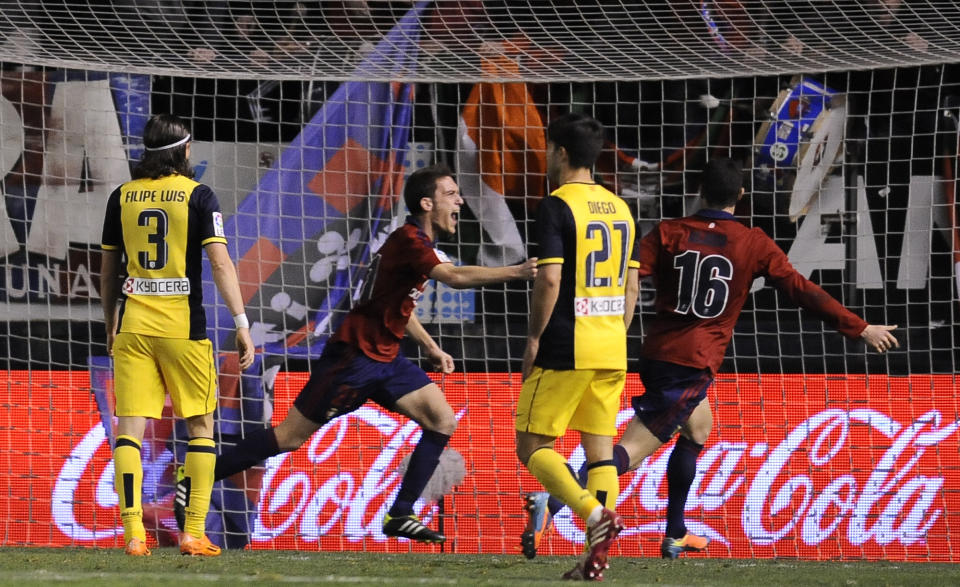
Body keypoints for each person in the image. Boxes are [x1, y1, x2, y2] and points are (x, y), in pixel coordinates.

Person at [522, 157, 900, 560]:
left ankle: (675, 534)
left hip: (657, 354)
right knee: (627, 452)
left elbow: (625, 272)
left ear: (699, 191)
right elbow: (800, 289)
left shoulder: (670, 232)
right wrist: (858, 327)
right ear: (741, 195)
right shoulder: (753, 242)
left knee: (698, 429)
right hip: (693, 361)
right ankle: (555, 501)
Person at [210, 164, 537, 543]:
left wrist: (430, 346)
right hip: (354, 359)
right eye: (451, 194)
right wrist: (515, 273)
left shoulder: (414, 245)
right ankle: (197, 477)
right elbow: (456, 277)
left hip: (386, 359)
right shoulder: (410, 241)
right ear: (426, 203)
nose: (460, 201)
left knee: (442, 420)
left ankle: (400, 513)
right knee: (288, 438)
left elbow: (396, 304)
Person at [99, 113, 255, 557]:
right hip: (182, 329)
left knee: (129, 430)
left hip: (133, 326)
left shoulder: (121, 197)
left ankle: (133, 534)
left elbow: (109, 270)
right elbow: (221, 264)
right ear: (185, 151)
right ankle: (192, 532)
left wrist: (110, 322)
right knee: (201, 428)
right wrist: (241, 324)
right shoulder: (198, 196)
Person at [515, 112, 640, 581]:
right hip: (612, 345)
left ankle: (593, 514)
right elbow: (630, 288)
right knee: (600, 452)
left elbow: (550, 277)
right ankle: (595, 556)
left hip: (567, 344)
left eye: (548, 149)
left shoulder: (556, 204)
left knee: (531, 446)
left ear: (561, 153)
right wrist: (614, 333)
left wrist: (534, 338)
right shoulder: (621, 207)